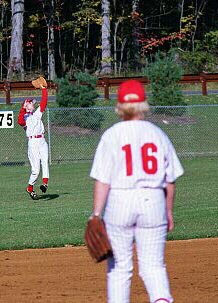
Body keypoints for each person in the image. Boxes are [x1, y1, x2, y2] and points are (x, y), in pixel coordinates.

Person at [89, 80, 184, 303]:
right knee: (153, 267)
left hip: (120, 201)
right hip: (154, 201)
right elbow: (169, 181)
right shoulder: (157, 134)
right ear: (144, 104)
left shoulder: (112, 135)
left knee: (120, 269)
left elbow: (103, 181)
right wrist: (168, 211)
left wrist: (95, 214)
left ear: (119, 106)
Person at [18, 83, 49, 200]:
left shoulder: (37, 114)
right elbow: (20, 122)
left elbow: (44, 102)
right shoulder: (24, 117)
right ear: (26, 106)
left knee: (45, 161)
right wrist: (23, 108)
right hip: (33, 143)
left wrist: (44, 89)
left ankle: (45, 183)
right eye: (30, 103)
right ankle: (30, 188)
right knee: (35, 170)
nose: (32, 104)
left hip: (42, 140)